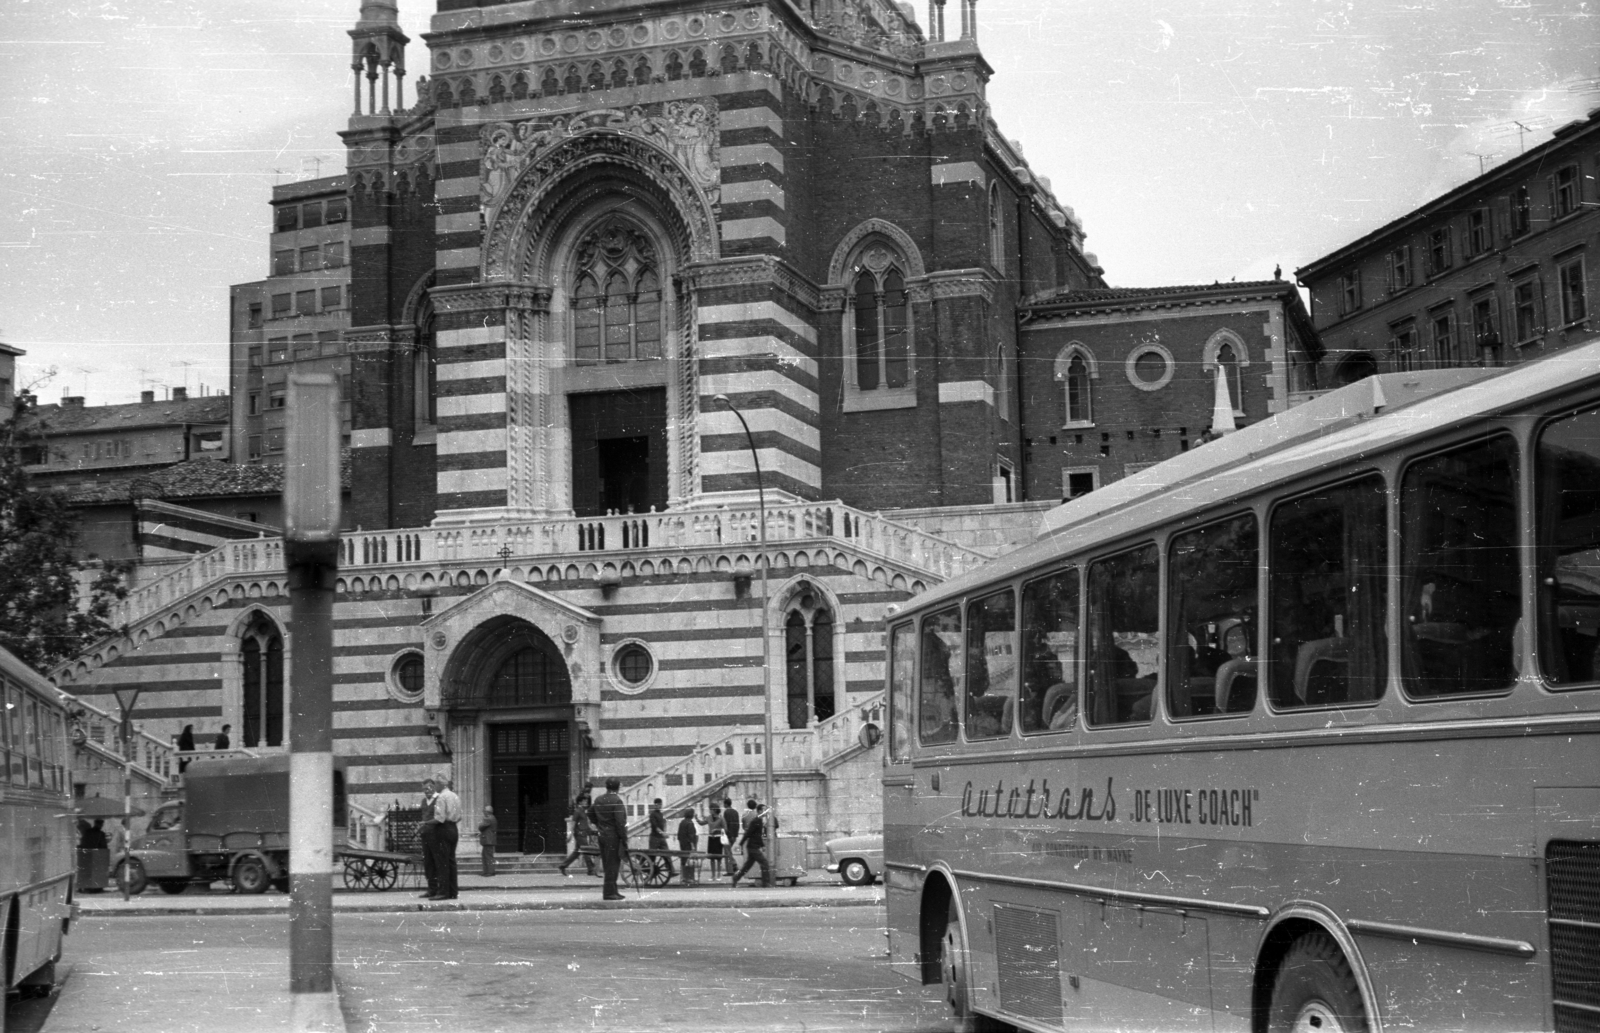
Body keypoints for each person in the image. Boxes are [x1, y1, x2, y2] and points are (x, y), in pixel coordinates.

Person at [588, 777, 628, 901]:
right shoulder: (617, 800)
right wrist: (624, 837)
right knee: (613, 864)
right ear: (617, 787)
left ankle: (613, 890)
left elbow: (590, 812)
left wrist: (598, 824)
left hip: (602, 835)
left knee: (607, 864)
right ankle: (609, 893)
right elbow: (620, 822)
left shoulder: (599, 799)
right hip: (613, 836)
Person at [430, 772, 461, 900]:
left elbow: (439, 818)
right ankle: (453, 891)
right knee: (451, 861)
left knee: (442, 862)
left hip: (443, 830)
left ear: (439, 784)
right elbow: (459, 817)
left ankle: (443, 892)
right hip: (453, 829)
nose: (434, 787)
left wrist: (426, 823)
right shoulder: (455, 796)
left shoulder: (441, 797)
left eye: (435, 784)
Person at [732, 798, 772, 888]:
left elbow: (757, 835)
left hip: (753, 847)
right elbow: (748, 833)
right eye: (764, 810)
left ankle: (736, 878)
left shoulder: (759, 821)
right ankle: (766, 883)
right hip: (752, 847)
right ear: (759, 811)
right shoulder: (756, 821)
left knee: (747, 866)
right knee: (764, 863)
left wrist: (762, 845)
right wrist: (741, 843)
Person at [559, 790, 598, 877]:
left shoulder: (583, 811)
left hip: (584, 833)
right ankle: (591, 869)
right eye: (584, 801)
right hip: (580, 834)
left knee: (577, 852)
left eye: (586, 801)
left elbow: (585, 824)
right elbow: (573, 824)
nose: (586, 802)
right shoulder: (578, 811)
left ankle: (563, 866)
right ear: (580, 802)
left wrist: (592, 832)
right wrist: (570, 834)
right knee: (587, 850)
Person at [416, 778, 439, 899]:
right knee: (428, 863)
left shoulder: (439, 799)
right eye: (424, 789)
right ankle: (431, 889)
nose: (426, 791)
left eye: (428, 788)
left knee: (437, 862)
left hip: (437, 835)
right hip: (426, 835)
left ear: (434, 787)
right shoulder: (424, 801)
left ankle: (439, 889)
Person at [647, 798, 675, 879]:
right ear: (654, 805)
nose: (659, 806)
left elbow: (663, 824)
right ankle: (650, 873)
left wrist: (664, 832)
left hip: (661, 838)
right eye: (657, 804)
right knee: (652, 857)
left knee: (667, 853)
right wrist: (663, 833)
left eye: (660, 804)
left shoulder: (661, 814)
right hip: (654, 838)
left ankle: (671, 870)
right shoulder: (652, 814)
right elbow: (655, 827)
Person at [676, 808, 700, 885]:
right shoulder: (690, 823)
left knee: (684, 861)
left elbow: (679, 836)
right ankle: (690, 878)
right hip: (689, 845)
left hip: (682, 844)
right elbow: (691, 836)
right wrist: (693, 846)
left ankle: (684, 877)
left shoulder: (682, 822)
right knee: (690, 861)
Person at [721, 797, 740, 879]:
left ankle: (732, 869)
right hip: (734, 834)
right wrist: (735, 834)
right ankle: (733, 867)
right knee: (728, 851)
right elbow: (737, 824)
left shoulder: (726, 812)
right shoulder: (735, 812)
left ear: (726, 804)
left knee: (727, 852)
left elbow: (726, 824)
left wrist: (727, 834)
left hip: (729, 835)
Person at [478, 806, 497, 878]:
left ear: (487, 812)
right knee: (486, 856)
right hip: (489, 840)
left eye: (484, 811)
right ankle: (487, 871)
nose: (483, 812)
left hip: (488, 840)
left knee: (487, 856)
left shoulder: (488, 818)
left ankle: (490, 871)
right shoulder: (492, 818)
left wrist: (481, 822)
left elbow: (480, 826)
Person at [706, 802, 724, 879]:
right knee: (712, 858)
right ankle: (713, 875)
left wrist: (717, 830)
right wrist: (697, 819)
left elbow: (725, 829)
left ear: (714, 810)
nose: (710, 811)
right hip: (711, 838)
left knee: (719, 858)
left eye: (711, 809)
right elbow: (702, 823)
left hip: (718, 838)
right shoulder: (709, 817)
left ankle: (719, 875)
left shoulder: (721, 818)